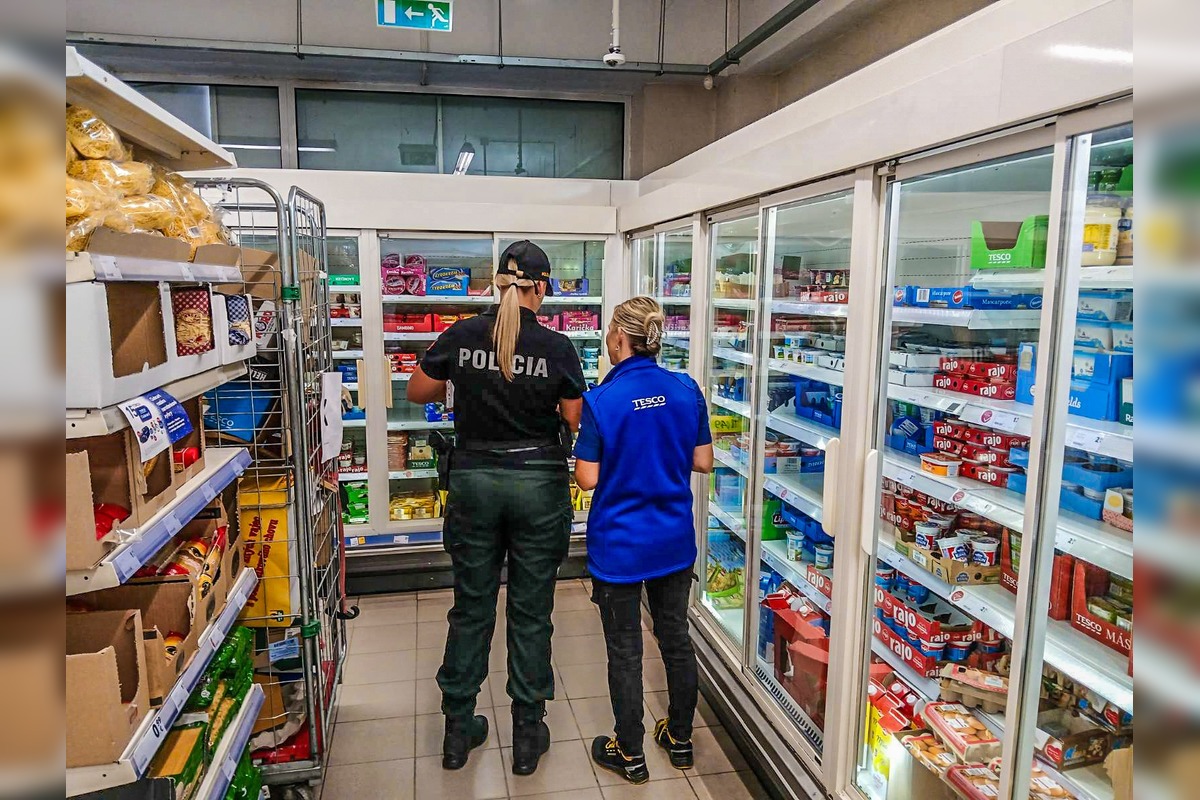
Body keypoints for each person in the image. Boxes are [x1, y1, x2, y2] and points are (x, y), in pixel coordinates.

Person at [406, 240, 585, 775]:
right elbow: (575, 420)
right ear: (542, 288)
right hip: (537, 484)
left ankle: (458, 731)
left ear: (496, 283)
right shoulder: (557, 347)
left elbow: (418, 389)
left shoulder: (462, 334)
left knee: (472, 607)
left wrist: (462, 390)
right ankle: (527, 736)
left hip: (474, 481)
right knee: (531, 612)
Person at [573, 296, 715, 785]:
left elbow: (587, 479)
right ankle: (679, 740)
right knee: (675, 640)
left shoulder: (602, 400)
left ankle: (629, 753)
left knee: (626, 650)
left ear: (619, 338)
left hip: (620, 546)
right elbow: (703, 462)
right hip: (673, 540)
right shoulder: (685, 389)